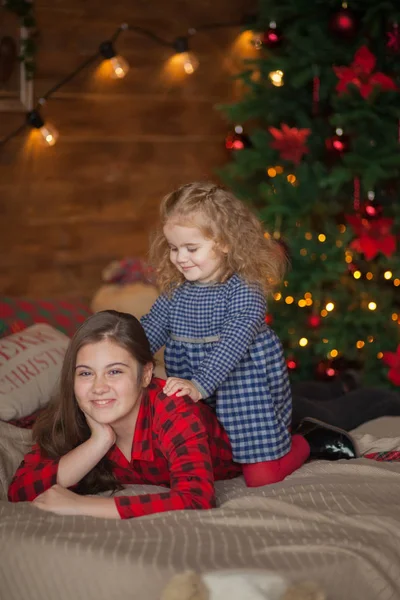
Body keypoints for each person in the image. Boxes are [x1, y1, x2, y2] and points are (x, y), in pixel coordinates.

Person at [140, 182, 357, 488]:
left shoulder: (244, 289)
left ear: (225, 243)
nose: (180, 258)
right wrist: (122, 354)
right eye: (174, 248)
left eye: (192, 248)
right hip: (197, 390)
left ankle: (310, 439)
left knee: (261, 477)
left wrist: (199, 384)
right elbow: (150, 328)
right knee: (213, 461)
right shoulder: (177, 292)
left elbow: (234, 341)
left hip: (244, 388)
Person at [8, 311, 242, 519]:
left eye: (115, 371)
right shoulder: (74, 412)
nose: (98, 387)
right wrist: (98, 442)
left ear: (145, 375)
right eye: (86, 373)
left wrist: (82, 505)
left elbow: (196, 499)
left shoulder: (174, 407)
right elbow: (20, 490)